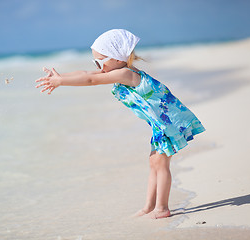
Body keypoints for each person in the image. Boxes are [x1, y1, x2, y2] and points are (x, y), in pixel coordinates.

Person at [35, 29, 205, 219]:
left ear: (117, 58)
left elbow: (91, 80)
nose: (98, 66)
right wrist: (60, 77)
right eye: (95, 62)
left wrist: (61, 83)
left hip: (168, 122)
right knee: (153, 162)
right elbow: (85, 73)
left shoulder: (125, 74)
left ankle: (162, 207)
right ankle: (149, 206)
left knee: (161, 163)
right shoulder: (117, 70)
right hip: (159, 122)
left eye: (101, 61)